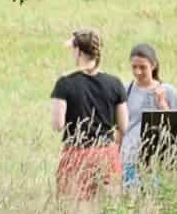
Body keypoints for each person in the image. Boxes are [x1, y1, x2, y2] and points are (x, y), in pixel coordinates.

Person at [49, 28, 126, 200]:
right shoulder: (115, 83)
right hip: (107, 153)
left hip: (77, 153)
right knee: (108, 211)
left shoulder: (65, 83)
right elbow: (123, 125)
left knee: (74, 211)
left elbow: (57, 125)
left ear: (78, 51)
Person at [120, 43, 177, 188]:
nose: (138, 72)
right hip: (130, 157)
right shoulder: (125, 90)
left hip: (159, 159)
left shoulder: (168, 91)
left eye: (142, 67)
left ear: (153, 65)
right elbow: (120, 126)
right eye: (134, 67)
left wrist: (162, 104)